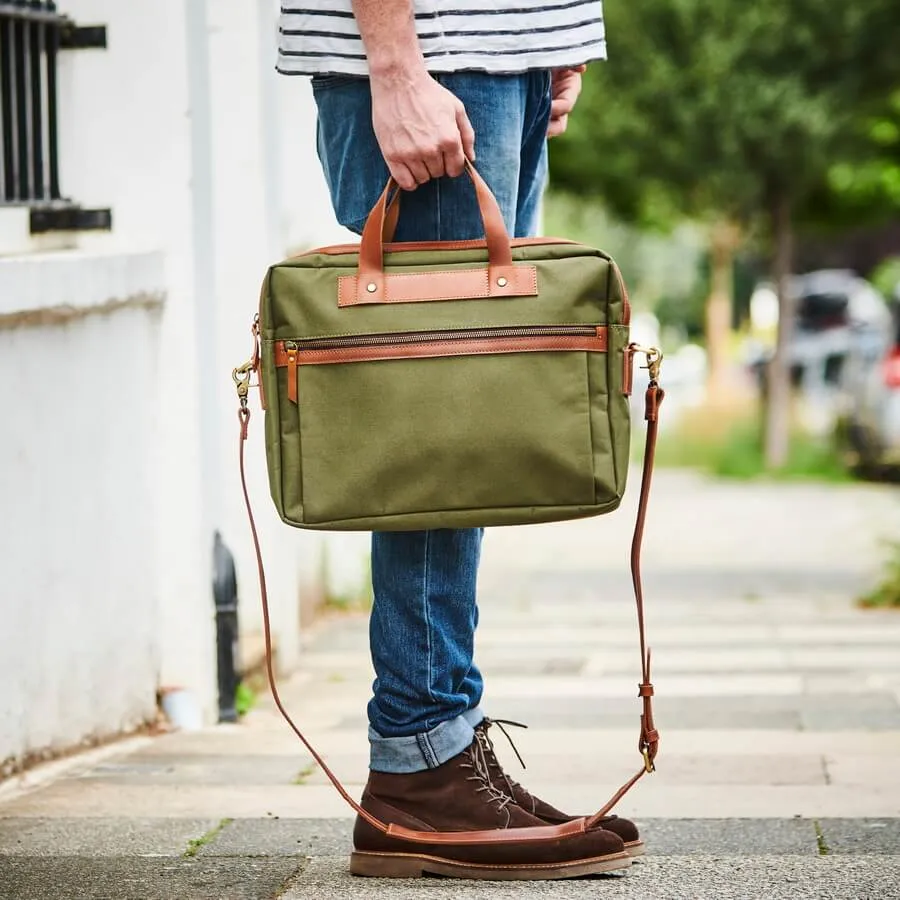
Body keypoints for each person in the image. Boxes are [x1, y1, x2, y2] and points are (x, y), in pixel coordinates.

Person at [278, 0, 642, 879]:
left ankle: (442, 739)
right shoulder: (413, 68)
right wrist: (397, 65)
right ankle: (419, 755)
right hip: (434, 55)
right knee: (437, 432)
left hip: (498, 55)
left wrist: (553, 42)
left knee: (463, 431)